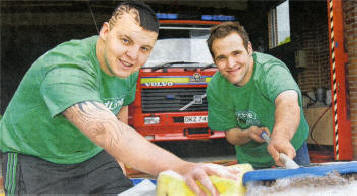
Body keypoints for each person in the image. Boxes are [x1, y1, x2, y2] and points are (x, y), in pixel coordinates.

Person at [0, 1, 240, 195]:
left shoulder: (127, 69)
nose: (133, 55)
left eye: (144, 48)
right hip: (34, 159)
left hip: (90, 156)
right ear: (105, 32)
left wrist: (118, 159)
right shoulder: (66, 68)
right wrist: (182, 167)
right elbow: (104, 130)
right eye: (125, 40)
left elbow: (119, 111)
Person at [206, 21, 310, 169]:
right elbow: (231, 134)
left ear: (249, 49)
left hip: (291, 152)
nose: (230, 64)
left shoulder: (270, 70)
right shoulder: (216, 87)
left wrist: (281, 138)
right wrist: (248, 133)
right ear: (214, 61)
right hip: (251, 162)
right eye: (222, 57)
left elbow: (288, 102)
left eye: (236, 53)